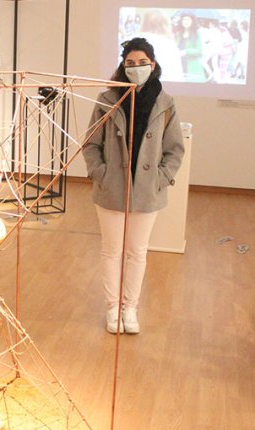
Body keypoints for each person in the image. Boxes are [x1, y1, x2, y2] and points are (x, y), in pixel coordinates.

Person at [83, 37, 185, 335]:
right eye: (130, 63)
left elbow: (174, 149)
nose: (136, 68)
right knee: (112, 250)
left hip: (147, 190)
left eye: (142, 63)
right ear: (122, 66)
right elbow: (90, 143)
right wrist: (100, 173)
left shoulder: (166, 103)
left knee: (137, 252)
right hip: (111, 187)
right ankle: (112, 307)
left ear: (153, 65)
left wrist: (160, 179)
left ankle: (130, 308)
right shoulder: (106, 99)